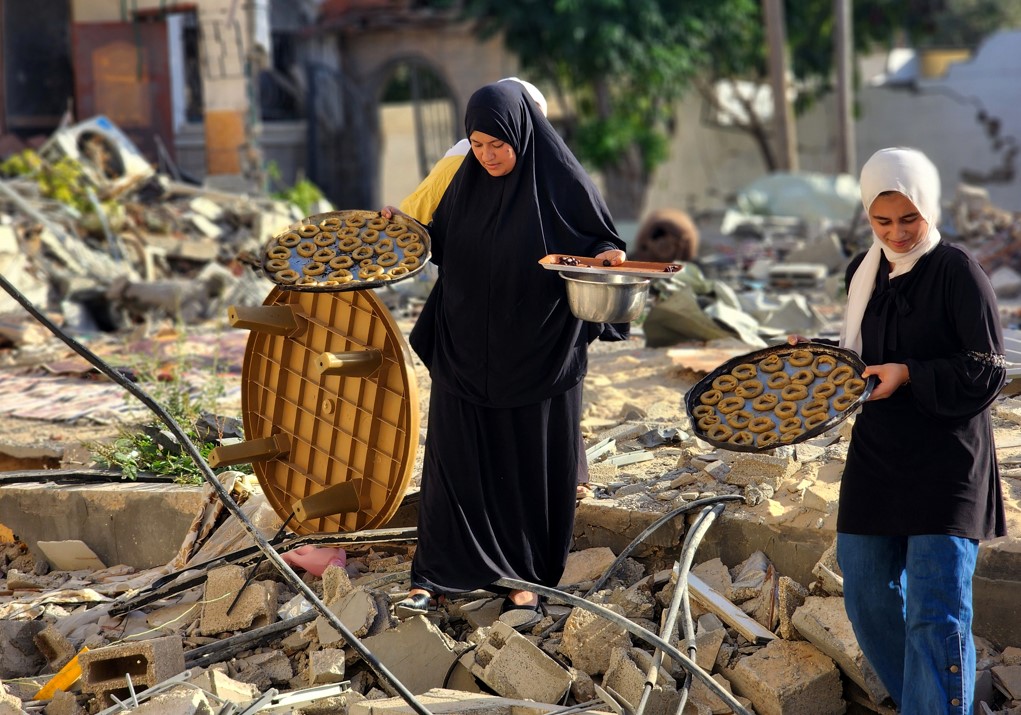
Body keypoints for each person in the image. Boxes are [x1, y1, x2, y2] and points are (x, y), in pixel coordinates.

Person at [382, 81, 627, 628]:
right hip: (465, 348)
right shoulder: (463, 180)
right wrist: (402, 229)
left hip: (536, 353)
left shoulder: (560, 182)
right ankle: (436, 575)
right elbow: (432, 242)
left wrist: (610, 254)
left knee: (526, 468)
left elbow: (602, 242)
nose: (488, 156)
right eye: (477, 144)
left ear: (523, 133)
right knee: (456, 466)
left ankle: (524, 581)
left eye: (499, 144)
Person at [796, 147, 1006, 714]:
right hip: (880, 454)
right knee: (865, 594)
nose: (898, 232)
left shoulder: (959, 272)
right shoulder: (863, 274)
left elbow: (987, 369)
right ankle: (928, 703)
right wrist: (808, 358)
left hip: (946, 461)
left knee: (935, 614)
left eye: (909, 218)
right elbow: (860, 360)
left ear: (929, 207)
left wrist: (910, 373)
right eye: (882, 221)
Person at [398, 77, 548, 226]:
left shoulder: (550, 174)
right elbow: (416, 222)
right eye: (478, 144)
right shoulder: (459, 162)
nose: (487, 156)